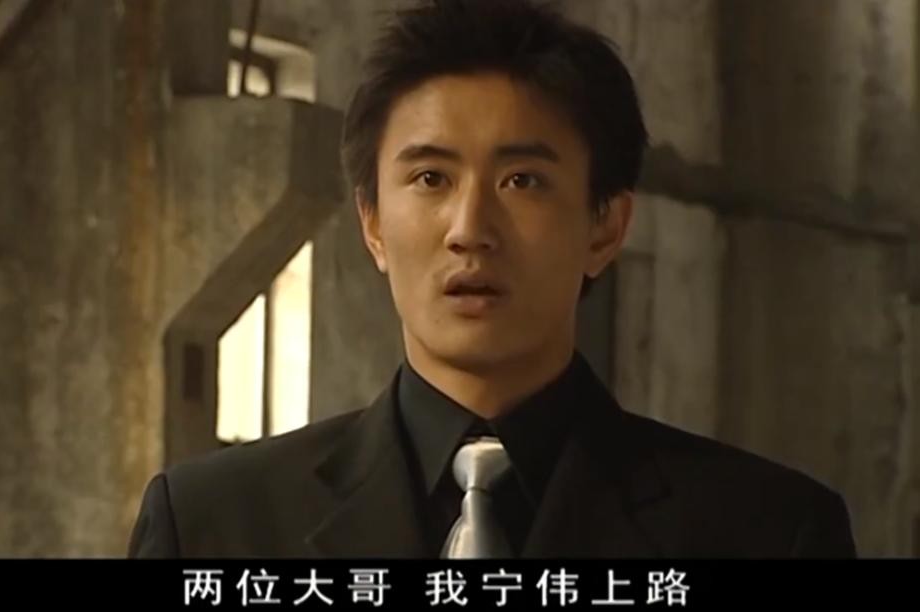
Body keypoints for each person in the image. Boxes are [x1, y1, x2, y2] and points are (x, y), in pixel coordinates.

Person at [128, 0, 856, 558]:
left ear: (604, 225)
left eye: (522, 180)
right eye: (430, 178)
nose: (469, 227)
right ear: (373, 223)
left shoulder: (770, 531)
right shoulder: (212, 525)